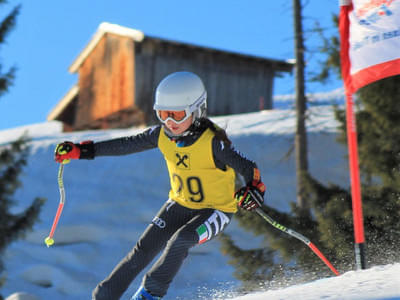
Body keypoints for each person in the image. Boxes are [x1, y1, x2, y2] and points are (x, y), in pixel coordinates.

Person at [54, 71, 266, 300]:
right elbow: (125, 145)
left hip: (216, 211)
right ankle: (104, 295)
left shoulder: (213, 141)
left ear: (197, 111)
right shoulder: (161, 136)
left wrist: (254, 189)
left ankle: (150, 295)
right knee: (143, 250)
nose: (169, 123)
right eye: (163, 115)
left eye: (176, 115)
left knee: (181, 241)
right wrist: (82, 151)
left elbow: (248, 167)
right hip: (179, 204)